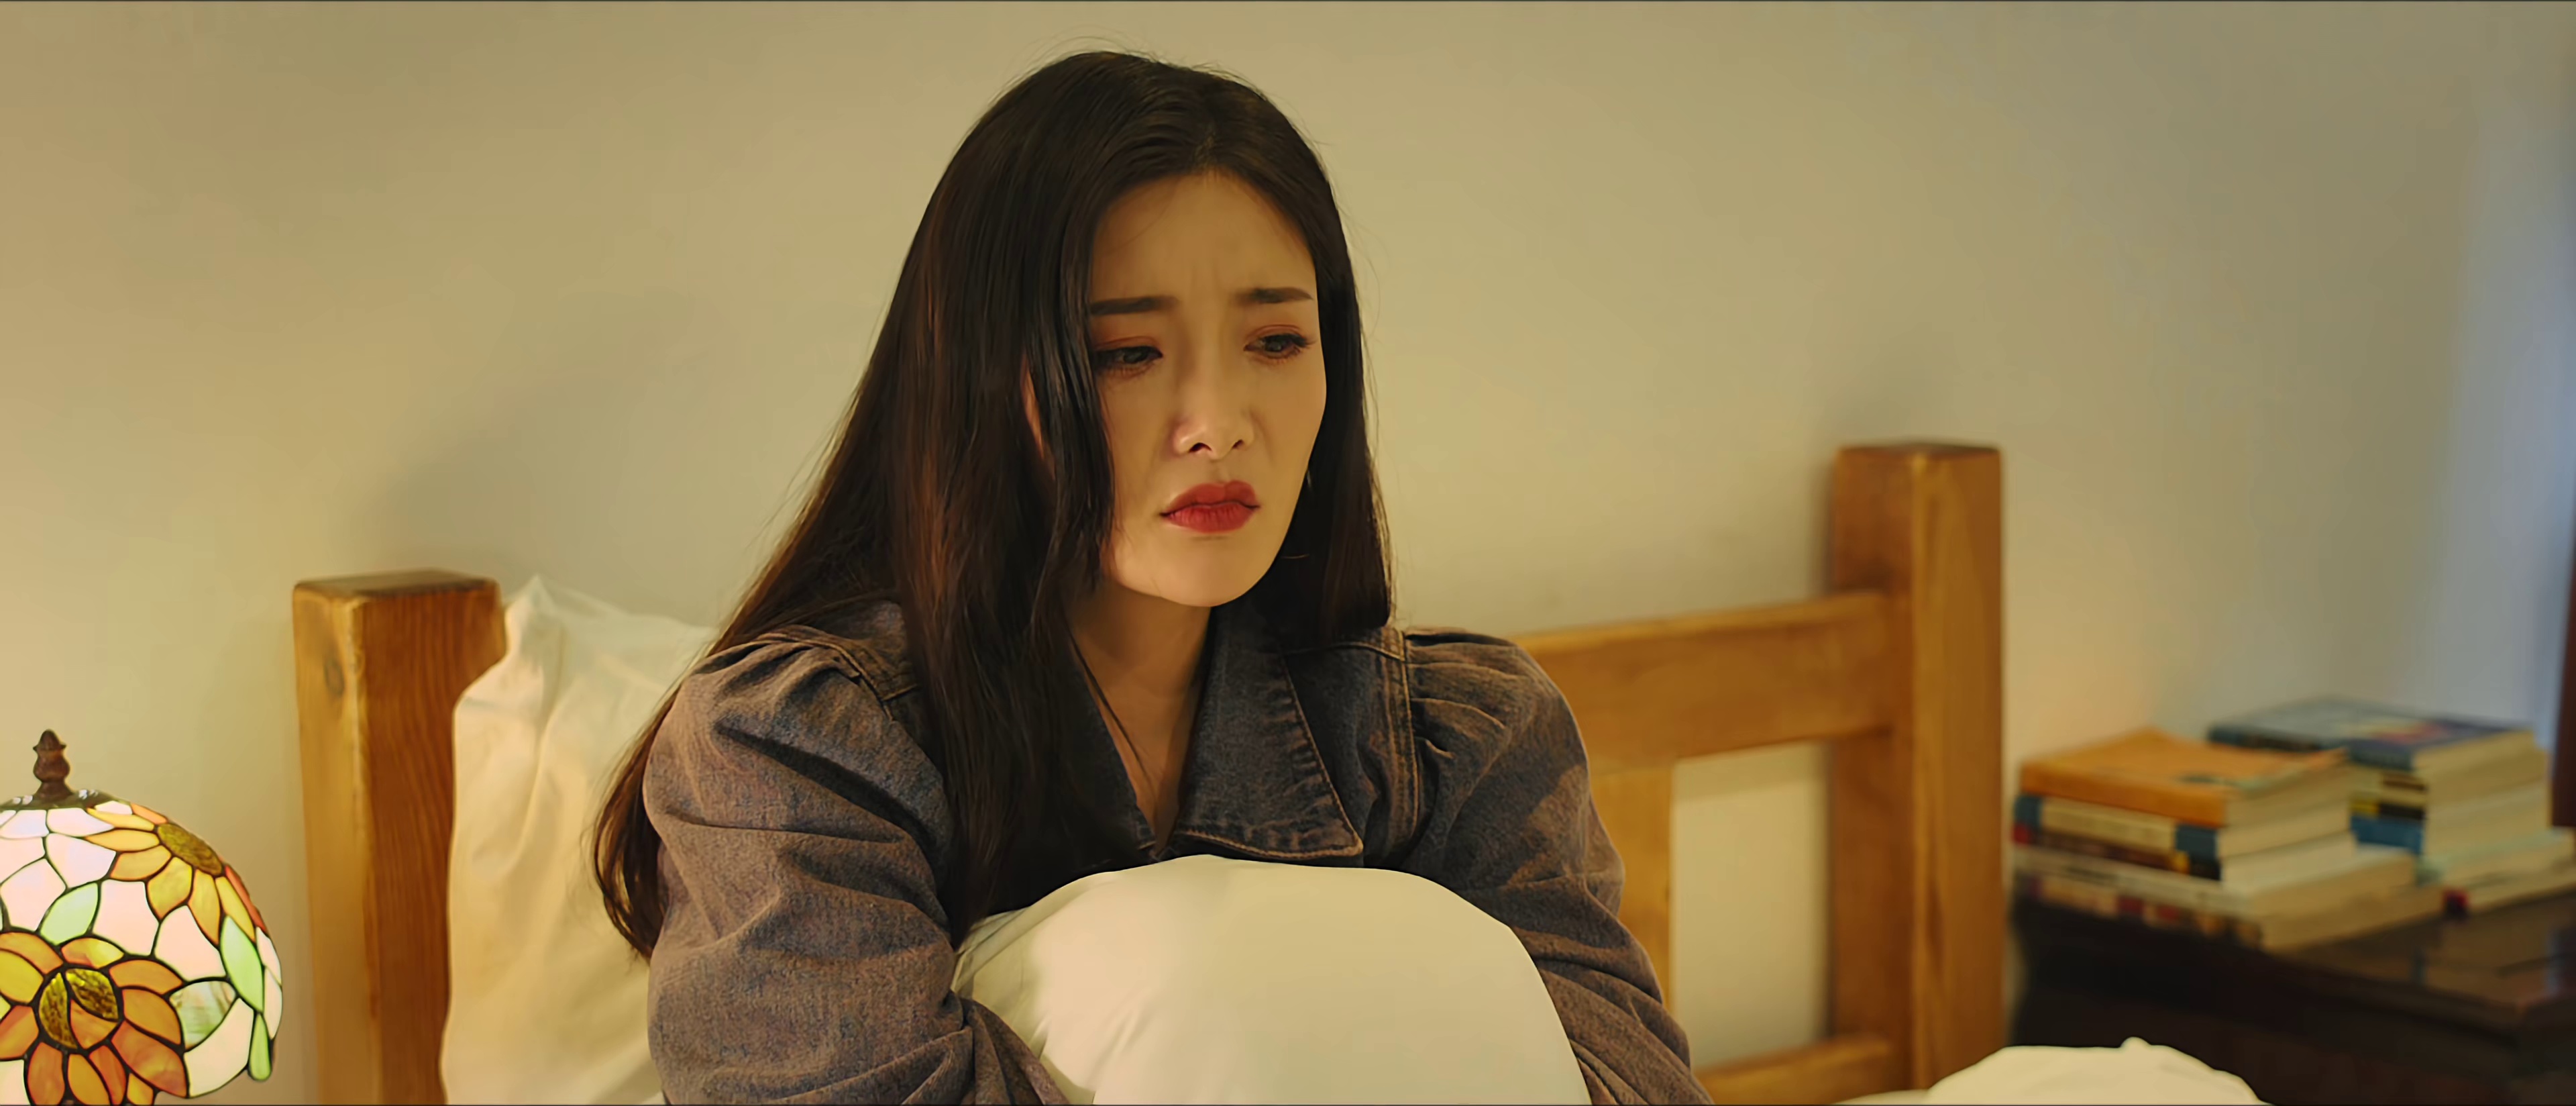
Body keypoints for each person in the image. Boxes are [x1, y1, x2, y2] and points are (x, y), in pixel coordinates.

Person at [590, 49, 1704, 1105]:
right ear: (980, 377)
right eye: (1125, 354)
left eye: (1276, 343)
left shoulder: (1461, 742)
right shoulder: (799, 754)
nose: (1218, 424)